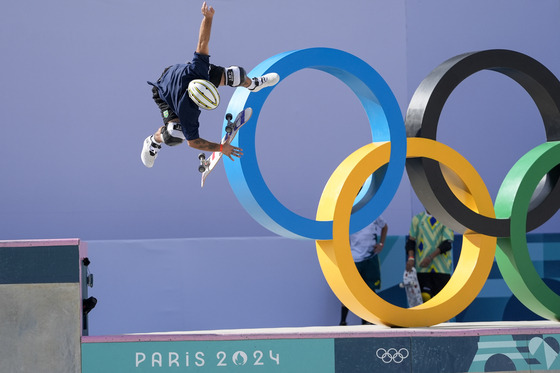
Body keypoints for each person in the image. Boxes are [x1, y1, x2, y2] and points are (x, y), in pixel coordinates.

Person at [141, 2, 280, 168]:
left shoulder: (198, 71)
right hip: (163, 92)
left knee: (236, 75)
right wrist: (221, 148)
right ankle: (153, 141)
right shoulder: (187, 112)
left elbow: (202, 41)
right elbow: (192, 142)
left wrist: (208, 18)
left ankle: (254, 84)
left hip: (189, 77)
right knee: (174, 134)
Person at [339, 216, 388, 325]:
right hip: (354, 259)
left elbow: (384, 226)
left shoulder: (373, 213)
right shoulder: (348, 215)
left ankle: (367, 321)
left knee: (370, 290)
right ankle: (343, 321)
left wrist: (381, 244)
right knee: (349, 290)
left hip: (370, 258)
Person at [405, 210, 454, 302]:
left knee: (442, 302)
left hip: (441, 269)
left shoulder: (446, 219)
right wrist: (411, 258)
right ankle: (426, 316)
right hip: (423, 268)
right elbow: (411, 241)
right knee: (425, 297)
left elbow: (447, 244)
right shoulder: (417, 219)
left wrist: (430, 257)